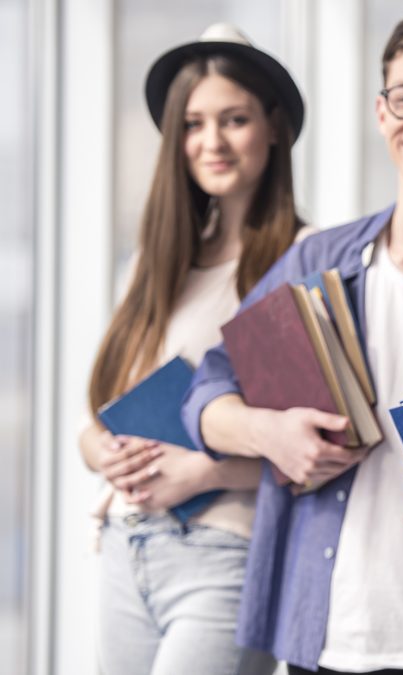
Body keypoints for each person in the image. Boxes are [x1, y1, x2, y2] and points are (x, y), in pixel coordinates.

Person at [180, 9, 403, 675]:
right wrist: (269, 432)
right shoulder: (319, 262)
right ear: (382, 113)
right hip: (321, 632)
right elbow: (207, 388)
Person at [79, 23, 308, 675]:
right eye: (194, 123)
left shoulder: (301, 260)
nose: (211, 142)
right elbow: (95, 418)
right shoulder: (155, 263)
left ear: (272, 127)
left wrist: (205, 470)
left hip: (226, 552)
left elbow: (320, 449)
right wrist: (102, 450)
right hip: (126, 546)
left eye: (233, 119)